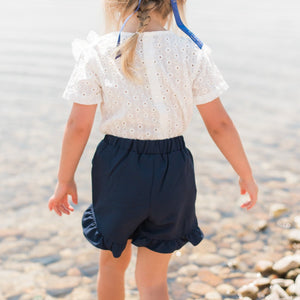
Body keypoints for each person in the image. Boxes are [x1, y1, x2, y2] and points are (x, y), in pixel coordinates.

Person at [48, 0, 258, 299]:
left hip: (118, 168)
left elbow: (78, 126)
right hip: (173, 170)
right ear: (174, 5)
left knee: (111, 265)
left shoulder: (99, 51)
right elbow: (220, 124)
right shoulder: (190, 52)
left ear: (116, 5)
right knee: (153, 281)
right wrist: (245, 174)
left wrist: (64, 179)